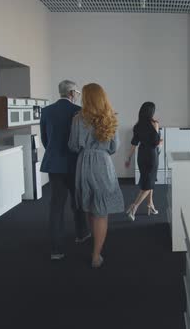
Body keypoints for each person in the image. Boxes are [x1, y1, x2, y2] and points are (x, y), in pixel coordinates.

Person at [68, 83, 124, 268]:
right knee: (101, 210)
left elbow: (73, 146)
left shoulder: (78, 119)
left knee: (90, 205)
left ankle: (95, 246)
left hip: (83, 163)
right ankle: (96, 255)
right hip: (102, 163)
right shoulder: (110, 118)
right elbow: (114, 147)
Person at [40, 80, 90, 261]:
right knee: (77, 201)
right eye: (76, 92)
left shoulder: (46, 111)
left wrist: (55, 154)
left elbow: (45, 140)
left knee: (56, 206)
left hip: (54, 164)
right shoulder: (78, 112)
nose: (77, 95)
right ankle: (82, 233)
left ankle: (56, 249)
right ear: (72, 93)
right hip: (74, 163)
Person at [124, 102, 163, 221]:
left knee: (149, 180)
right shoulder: (154, 124)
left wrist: (128, 158)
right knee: (148, 183)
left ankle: (150, 204)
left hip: (141, 155)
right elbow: (156, 143)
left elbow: (134, 144)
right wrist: (161, 141)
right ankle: (134, 207)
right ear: (151, 112)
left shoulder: (137, 126)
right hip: (151, 155)